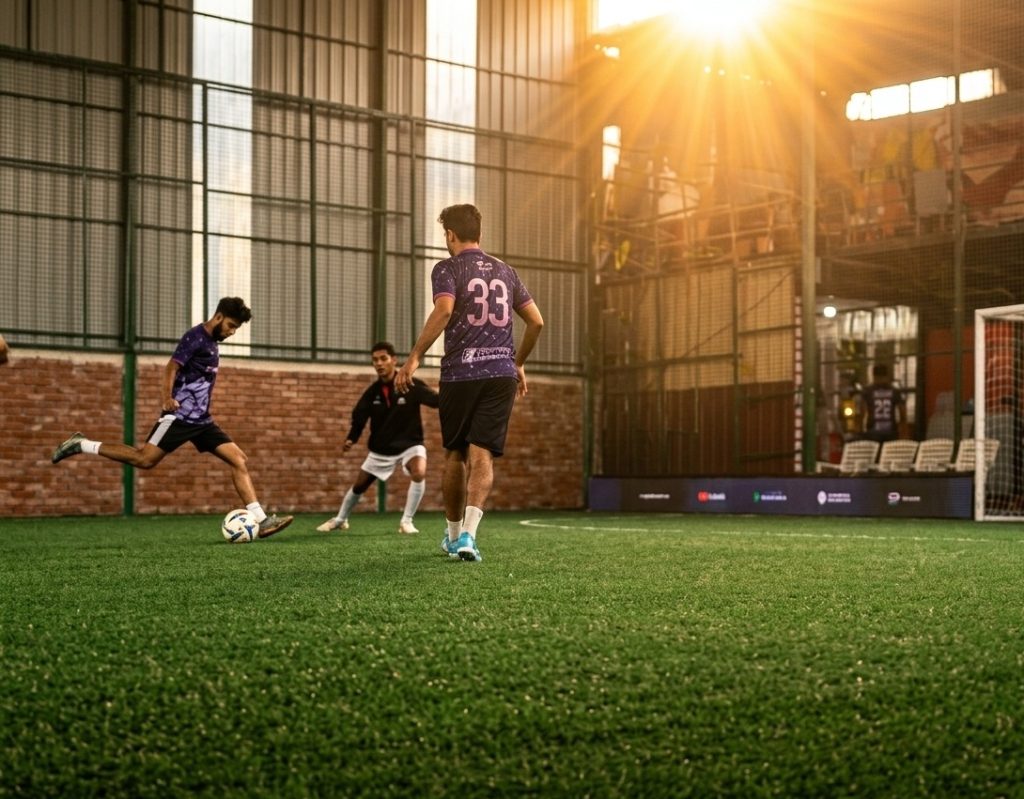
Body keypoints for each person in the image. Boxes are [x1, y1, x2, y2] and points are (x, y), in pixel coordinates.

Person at [51, 297, 293, 538]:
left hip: (202, 421)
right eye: (230, 325)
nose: (231, 332)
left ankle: (261, 521)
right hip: (179, 417)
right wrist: (167, 398)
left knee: (238, 459)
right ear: (218, 317)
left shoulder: (212, 343)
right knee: (144, 459)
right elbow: (171, 367)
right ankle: (81, 444)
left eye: (236, 328)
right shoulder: (195, 337)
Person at [395, 204, 544, 562]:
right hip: (500, 374)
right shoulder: (506, 272)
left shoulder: (447, 268)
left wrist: (414, 357)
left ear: (450, 234)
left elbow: (444, 310)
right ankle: (468, 537)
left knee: (456, 453)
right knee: (483, 454)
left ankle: (450, 536)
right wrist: (517, 362)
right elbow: (536, 322)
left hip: (460, 373)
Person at [316, 341, 439, 535]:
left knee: (419, 471)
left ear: (394, 360)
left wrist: (452, 397)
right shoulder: (372, 392)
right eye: (375, 360)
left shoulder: (409, 384)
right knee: (359, 486)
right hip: (381, 448)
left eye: (383, 358)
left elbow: (435, 399)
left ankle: (406, 521)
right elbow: (359, 415)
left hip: (410, 444)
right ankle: (340, 519)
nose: (379, 363)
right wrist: (352, 438)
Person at [860, 363, 908, 443]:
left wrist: (861, 431)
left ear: (874, 376)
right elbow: (902, 413)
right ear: (887, 376)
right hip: (891, 431)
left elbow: (862, 412)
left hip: (872, 431)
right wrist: (903, 432)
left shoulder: (868, 391)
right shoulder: (894, 391)